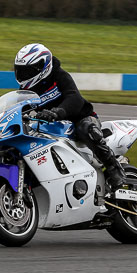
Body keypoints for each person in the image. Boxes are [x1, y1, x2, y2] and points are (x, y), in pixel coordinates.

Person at [13, 43, 127, 190]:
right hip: (53, 127)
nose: (24, 75)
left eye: (28, 71)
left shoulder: (59, 75)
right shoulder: (27, 89)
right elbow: (20, 108)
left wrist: (57, 112)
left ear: (42, 66)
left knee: (86, 128)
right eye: (21, 71)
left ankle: (114, 168)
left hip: (80, 118)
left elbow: (74, 98)